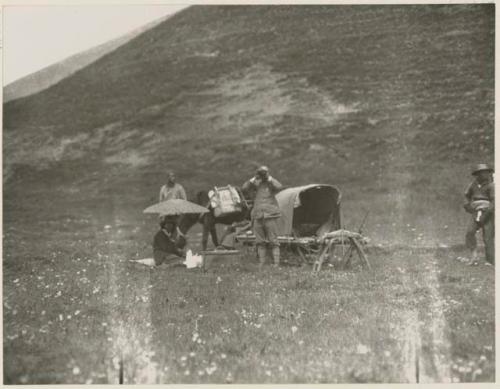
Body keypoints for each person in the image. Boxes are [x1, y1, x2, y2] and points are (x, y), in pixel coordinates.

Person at [242, 166, 283, 268]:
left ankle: (276, 264)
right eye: (261, 173)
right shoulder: (255, 185)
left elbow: (279, 187)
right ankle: (261, 263)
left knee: (273, 240)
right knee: (259, 241)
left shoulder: (271, 184)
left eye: (264, 173)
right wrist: (254, 178)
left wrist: (269, 178)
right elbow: (244, 188)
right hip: (258, 215)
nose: (262, 175)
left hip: (270, 215)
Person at [463, 163, 494, 265]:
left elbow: (494, 202)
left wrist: (486, 214)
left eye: (485, 173)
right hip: (476, 211)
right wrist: (467, 205)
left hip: (488, 212)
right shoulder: (473, 184)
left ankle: (490, 260)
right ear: (477, 174)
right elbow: (466, 195)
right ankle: (474, 256)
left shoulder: (492, 185)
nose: (483, 175)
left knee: (488, 236)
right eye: (480, 173)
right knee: (470, 232)